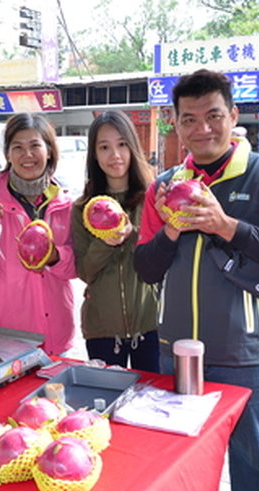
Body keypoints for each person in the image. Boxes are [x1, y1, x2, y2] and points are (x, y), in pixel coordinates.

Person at [134, 69, 259, 491]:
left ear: (233, 116)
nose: (203, 129)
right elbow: (146, 269)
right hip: (176, 352)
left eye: (213, 115)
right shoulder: (163, 187)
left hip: (244, 354)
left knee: (252, 467)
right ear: (176, 124)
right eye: (189, 119)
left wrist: (226, 226)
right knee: (180, 465)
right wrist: (170, 231)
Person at [0, 113, 76, 356]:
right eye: (18, 147)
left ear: (49, 151)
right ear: (8, 155)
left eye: (35, 146)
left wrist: (55, 256)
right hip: (6, 338)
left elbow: (77, 267)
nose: (27, 154)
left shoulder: (65, 204)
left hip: (56, 335)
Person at [71, 110, 160, 371]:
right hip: (102, 330)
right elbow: (84, 271)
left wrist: (132, 233)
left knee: (151, 394)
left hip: (151, 325)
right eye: (104, 147)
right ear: (94, 154)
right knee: (107, 397)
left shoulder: (152, 198)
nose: (115, 155)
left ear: (133, 147)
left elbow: (163, 257)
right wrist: (105, 239)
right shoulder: (83, 208)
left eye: (122, 144)